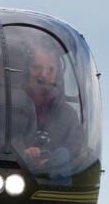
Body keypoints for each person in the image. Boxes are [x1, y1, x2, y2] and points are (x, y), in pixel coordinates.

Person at [18, 43, 83, 178]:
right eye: (37, 68)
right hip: (13, 171)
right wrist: (23, 152)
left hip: (53, 178)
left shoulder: (68, 114)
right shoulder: (12, 105)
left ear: (57, 74)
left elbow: (76, 147)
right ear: (27, 71)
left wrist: (48, 158)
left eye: (50, 69)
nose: (43, 75)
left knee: (62, 155)